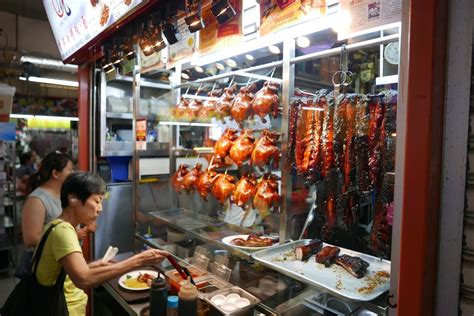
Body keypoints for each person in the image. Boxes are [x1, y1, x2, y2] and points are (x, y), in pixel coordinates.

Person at [34, 172, 168, 315]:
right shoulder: (63, 231)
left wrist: (93, 265)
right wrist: (140, 260)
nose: (100, 209)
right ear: (73, 198)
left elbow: (67, 273)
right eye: (97, 201)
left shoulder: (55, 225)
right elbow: (84, 279)